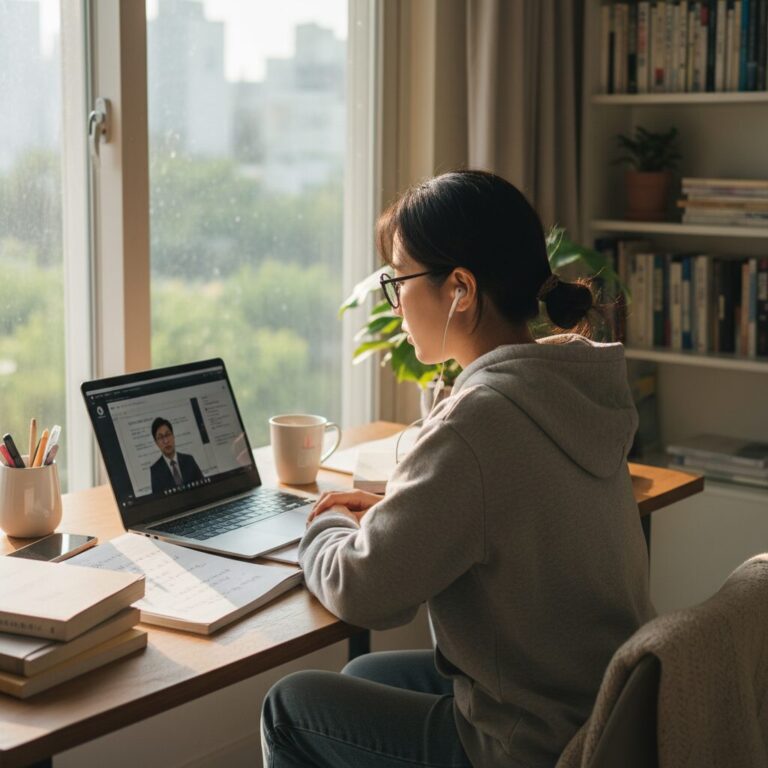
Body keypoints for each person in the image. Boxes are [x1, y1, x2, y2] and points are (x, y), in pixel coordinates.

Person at [261, 170, 655, 768]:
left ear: (461, 289)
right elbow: (509, 511)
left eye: (399, 280)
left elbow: (364, 593)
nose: (395, 303)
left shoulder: (480, 421)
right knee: (366, 672)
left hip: (529, 745)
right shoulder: (568, 388)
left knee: (288, 707)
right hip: (603, 713)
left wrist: (322, 525)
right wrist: (398, 513)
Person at [149, 417, 204, 494]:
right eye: (160, 437)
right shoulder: (155, 470)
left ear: (173, 436)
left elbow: (204, 487)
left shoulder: (189, 460)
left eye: (168, 434)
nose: (166, 441)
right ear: (156, 443)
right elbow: (159, 499)